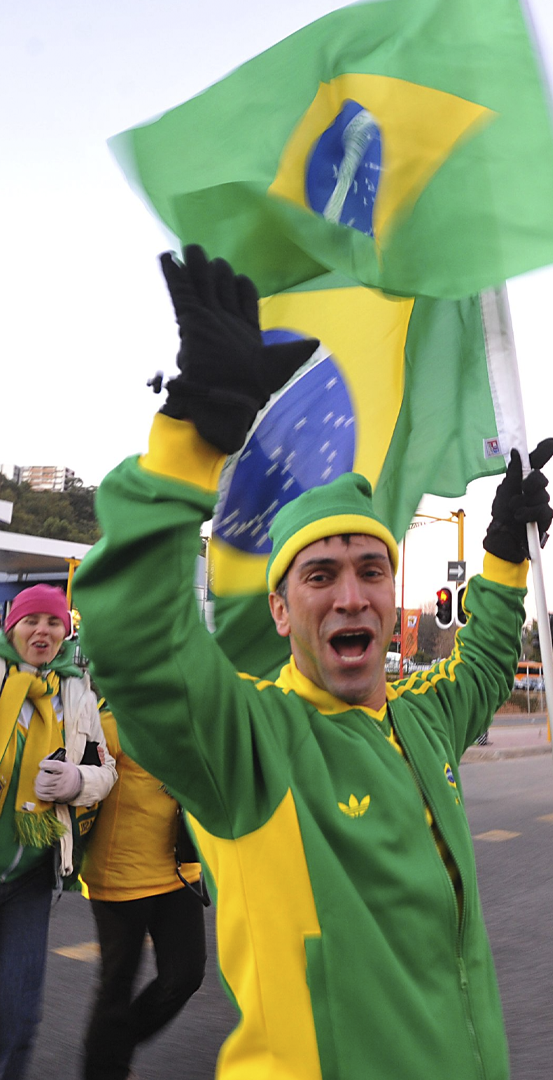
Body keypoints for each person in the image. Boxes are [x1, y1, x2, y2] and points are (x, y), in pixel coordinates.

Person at [74, 246, 553, 1080]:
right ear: (279, 608)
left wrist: (505, 555)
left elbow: (478, 671)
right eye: (318, 576)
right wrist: (194, 435)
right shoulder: (254, 743)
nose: (350, 597)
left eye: (370, 570)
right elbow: (135, 641)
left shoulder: (419, 718)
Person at [0, 584, 117, 1080]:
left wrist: (78, 781)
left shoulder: (77, 694)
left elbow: (104, 769)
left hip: (31, 877)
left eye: (53, 623)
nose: (42, 631)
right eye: (31, 621)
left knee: (19, 1014)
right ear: (10, 626)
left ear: (66, 632)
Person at [81, 703, 207, 1080]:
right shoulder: (111, 722)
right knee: (116, 987)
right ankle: (104, 1069)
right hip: (121, 876)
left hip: (179, 871)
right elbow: (86, 786)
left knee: (185, 975)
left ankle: (111, 1047)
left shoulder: (193, 718)